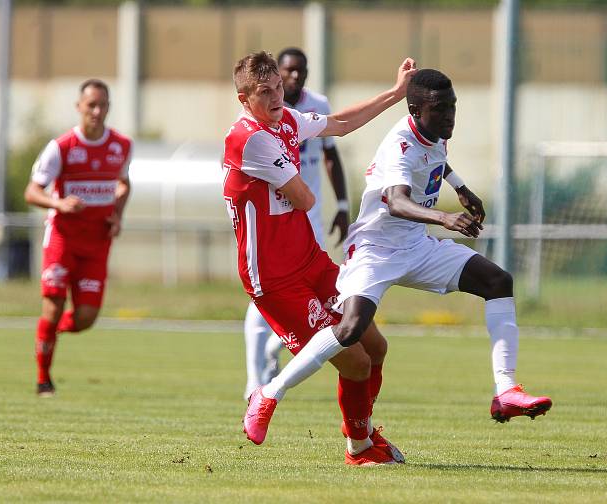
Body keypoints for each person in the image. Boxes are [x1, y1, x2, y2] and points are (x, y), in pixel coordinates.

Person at [244, 69, 553, 454]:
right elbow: (396, 199)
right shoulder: (399, 145)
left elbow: (437, 157)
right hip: (373, 250)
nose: (450, 117)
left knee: (498, 281)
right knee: (351, 330)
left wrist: (461, 188)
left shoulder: (433, 130)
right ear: (415, 109)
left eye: (453, 107)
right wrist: (445, 217)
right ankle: (269, 393)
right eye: (441, 110)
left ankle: (505, 390)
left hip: (416, 246)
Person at [224, 51, 415, 465]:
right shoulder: (249, 139)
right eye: (265, 92)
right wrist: (296, 182)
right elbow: (306, 197)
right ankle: (273, 397)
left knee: (376, 347)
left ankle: (361, 442)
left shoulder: (286, 120)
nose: (277, 97)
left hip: (311, 261)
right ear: (244, 99)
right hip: (274, 280)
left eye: (278, 87)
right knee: (356, 361)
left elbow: (341, 124)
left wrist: (396, 93)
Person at [242, 47, 351, 401]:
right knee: (264, 306)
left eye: (298, 71)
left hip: (311, 226)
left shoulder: (313, 105)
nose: (292, 78)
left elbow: (332, 152)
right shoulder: (260, 124)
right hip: (282, 229)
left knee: (347, 309)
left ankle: (277, 353)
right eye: (286, 71)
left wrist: (344, 204)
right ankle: (256, 380)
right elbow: (300, 195)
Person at [24, 79, 132, 397]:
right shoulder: (62, 147)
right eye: (91, 105)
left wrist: (117, 213)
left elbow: (124, 184)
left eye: (103, 105)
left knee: (86, 317)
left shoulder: (121, 146)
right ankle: (44, 380)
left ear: (109, 107)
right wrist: (58, 203)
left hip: (97, 242)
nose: (97, 111)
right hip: (63, 239)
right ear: (79, 107)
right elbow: (32, 191)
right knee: (53, 305)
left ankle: (48, 332)